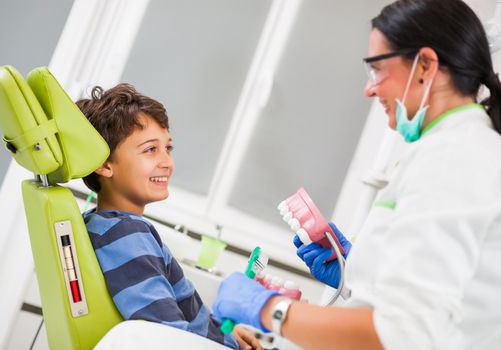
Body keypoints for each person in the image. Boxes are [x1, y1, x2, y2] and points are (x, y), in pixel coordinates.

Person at [212, 0, 501, 349]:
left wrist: (270, 309)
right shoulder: (449, 150)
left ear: (425, 65)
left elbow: (404, 334)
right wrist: (358, 271)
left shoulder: (455, 158)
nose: (369, 88)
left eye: (377, 69)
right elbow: (432, 296)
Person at [76, 84, 262, 350]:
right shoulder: (128, 233)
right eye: (150, 149)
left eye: (168, 148)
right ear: (105, 164)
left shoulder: (101, 224)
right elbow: (166, 336)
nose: (167, 162)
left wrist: (224, 334)